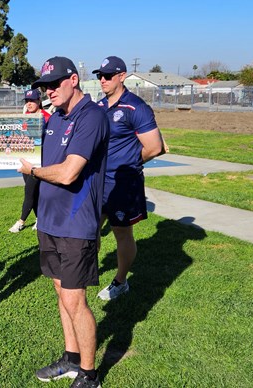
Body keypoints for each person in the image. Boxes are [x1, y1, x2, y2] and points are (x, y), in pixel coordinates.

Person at [17, 57, 108, 388]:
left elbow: (69, 173)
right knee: (60, 291)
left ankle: (89, 375)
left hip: (75, 223)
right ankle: (71, 358)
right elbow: (29, 149)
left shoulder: (92, 116)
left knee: (74, 299)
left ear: (74, 80)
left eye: (55, 84)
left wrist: (33, 172)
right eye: (44, 86)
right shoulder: (54, 117)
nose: (49, 91)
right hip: (49, 221)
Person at [92, 56, 167, 301]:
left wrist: (130, 164)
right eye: (99, 76)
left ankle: (121, 281)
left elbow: (154, 147)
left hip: (124, 184)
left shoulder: (136, 107)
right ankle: (88, 270)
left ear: (122, 76)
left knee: (121, 233)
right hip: (99, 181)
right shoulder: (100, 107)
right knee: (90, 229)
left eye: (108, 76)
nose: (102, 80)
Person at [8, 89, 50, 233]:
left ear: (39, 101)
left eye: (32, 100)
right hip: (25, 161)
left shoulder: (48, 117)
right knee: (34, 192)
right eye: (27, 101)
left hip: (39, 162)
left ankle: (21, 221)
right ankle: (40, 219)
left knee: (29, 191)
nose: (29, 103)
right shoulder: (23, 117)